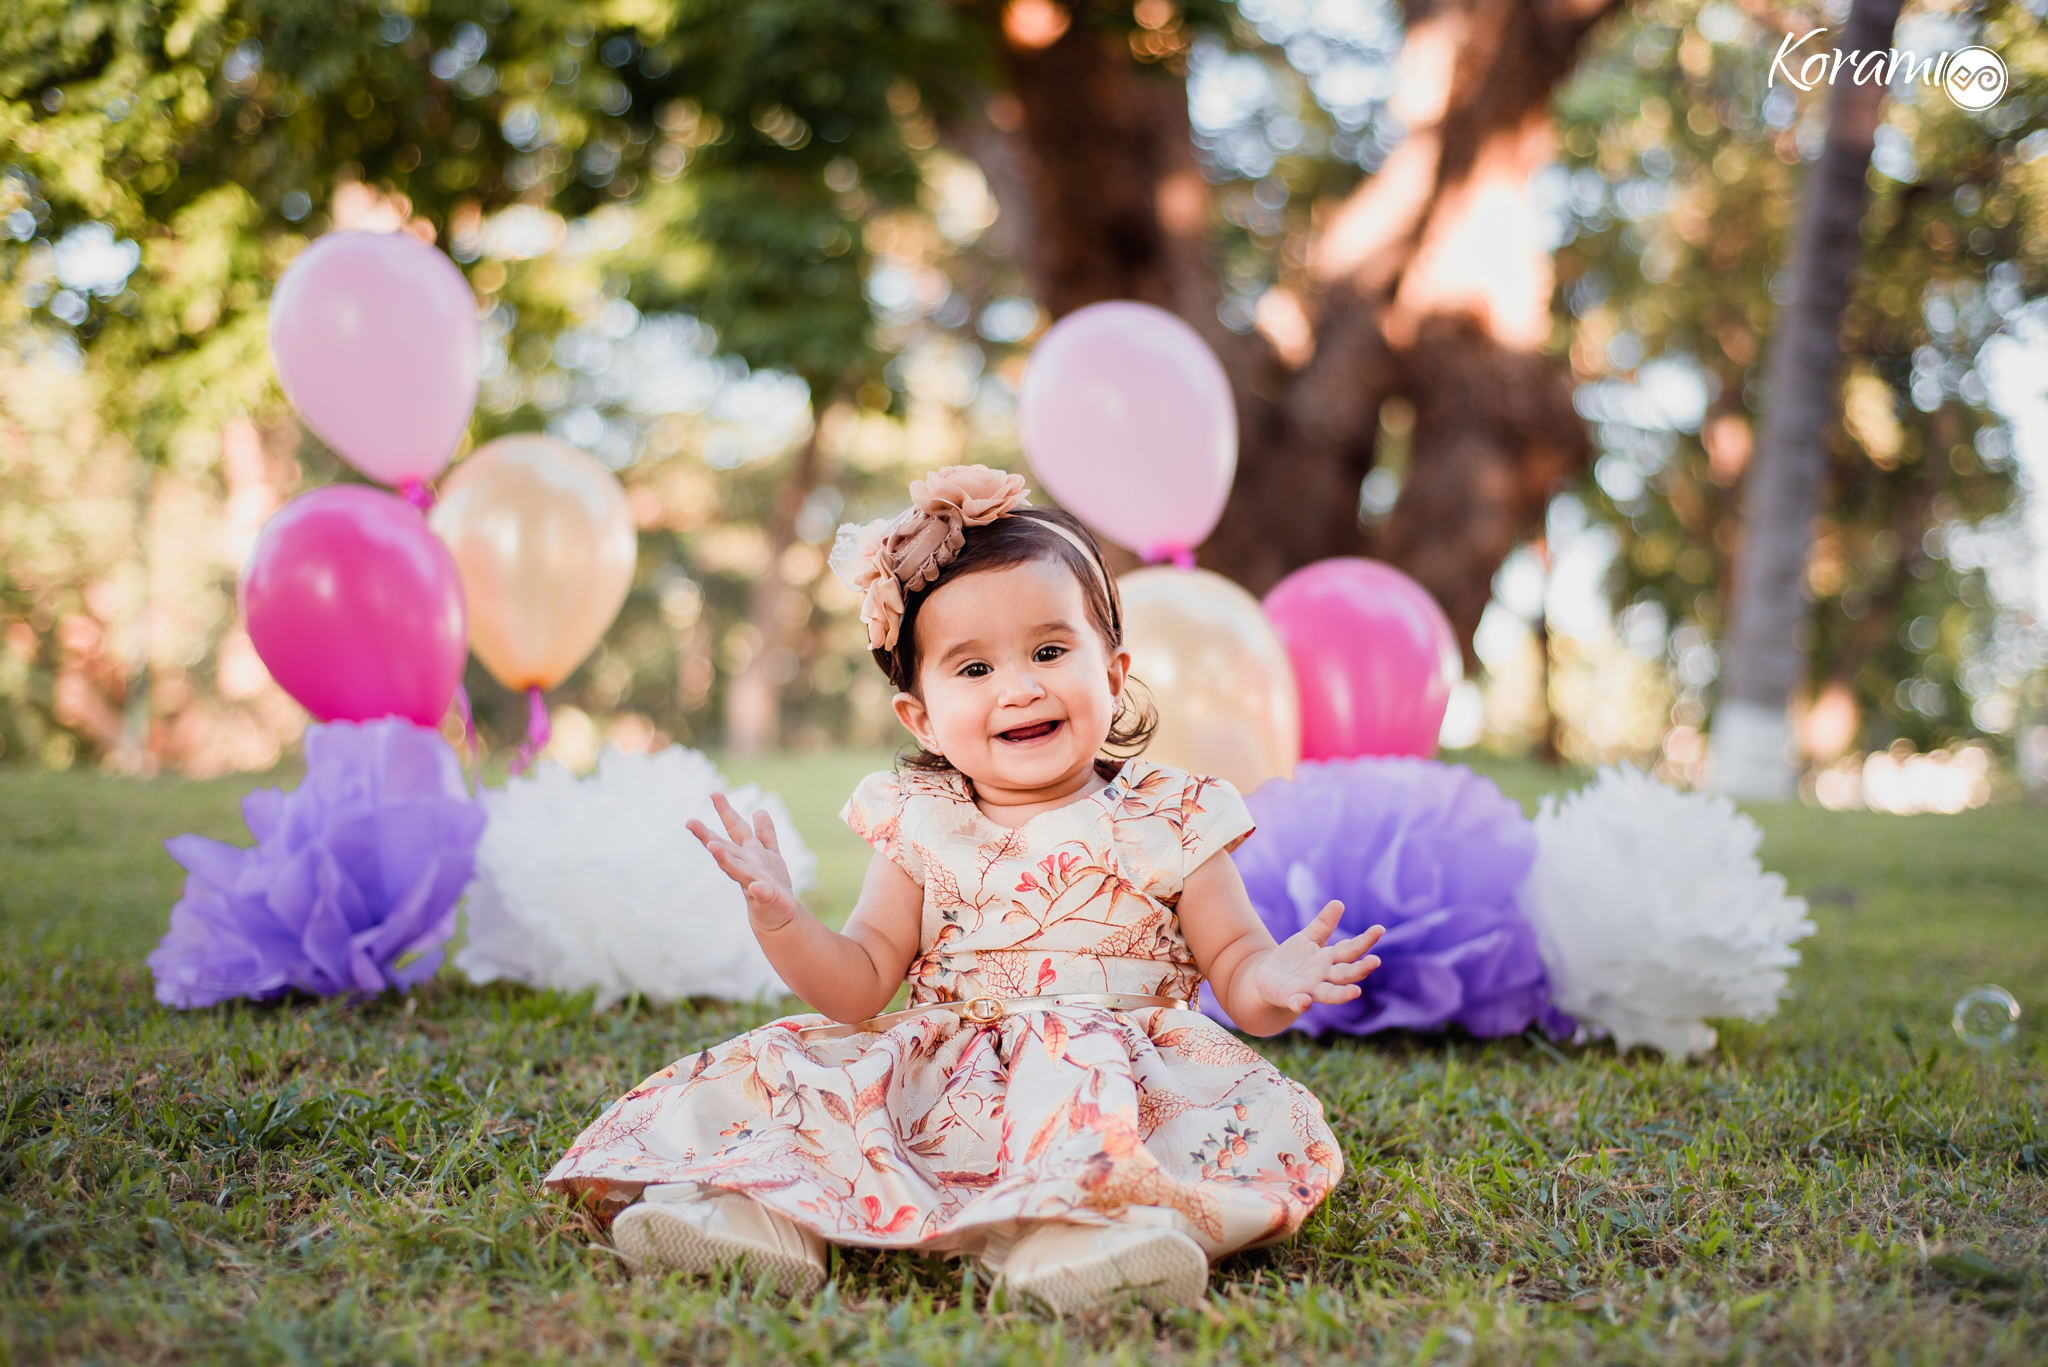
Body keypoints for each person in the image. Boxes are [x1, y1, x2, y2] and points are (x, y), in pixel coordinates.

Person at [542, 464, 1384, 1313]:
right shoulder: (921, 821)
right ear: (921, 718)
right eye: (972, 668)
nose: (1019, 685)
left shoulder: (1172, 817)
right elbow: (860, 978)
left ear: (1115, 672)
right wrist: (784, 917)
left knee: (1109, 1140)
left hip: (1108, 1072)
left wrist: (1274, 980)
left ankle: (1083, 1240)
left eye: (1050, 651)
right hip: (947, 1076)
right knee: (818, 1094)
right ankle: (754, 1218)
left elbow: (1237, 965)